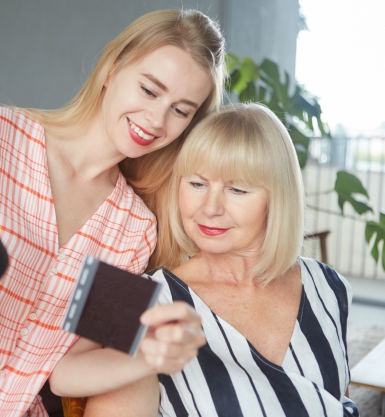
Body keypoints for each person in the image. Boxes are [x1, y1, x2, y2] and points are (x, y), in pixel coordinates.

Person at [0, 9, 225, 416]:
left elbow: (67, 371)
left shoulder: (137, 229)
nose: (156, 119)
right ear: (111, 69)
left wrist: (148, 357)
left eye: (181, 110)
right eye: (149, 90)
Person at [66, 103, 360, 417]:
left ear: (278, 197)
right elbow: (65, 377)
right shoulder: (135, 298)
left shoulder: (329, 285)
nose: (210, 208)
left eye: (237, 189)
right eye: (197, 184)